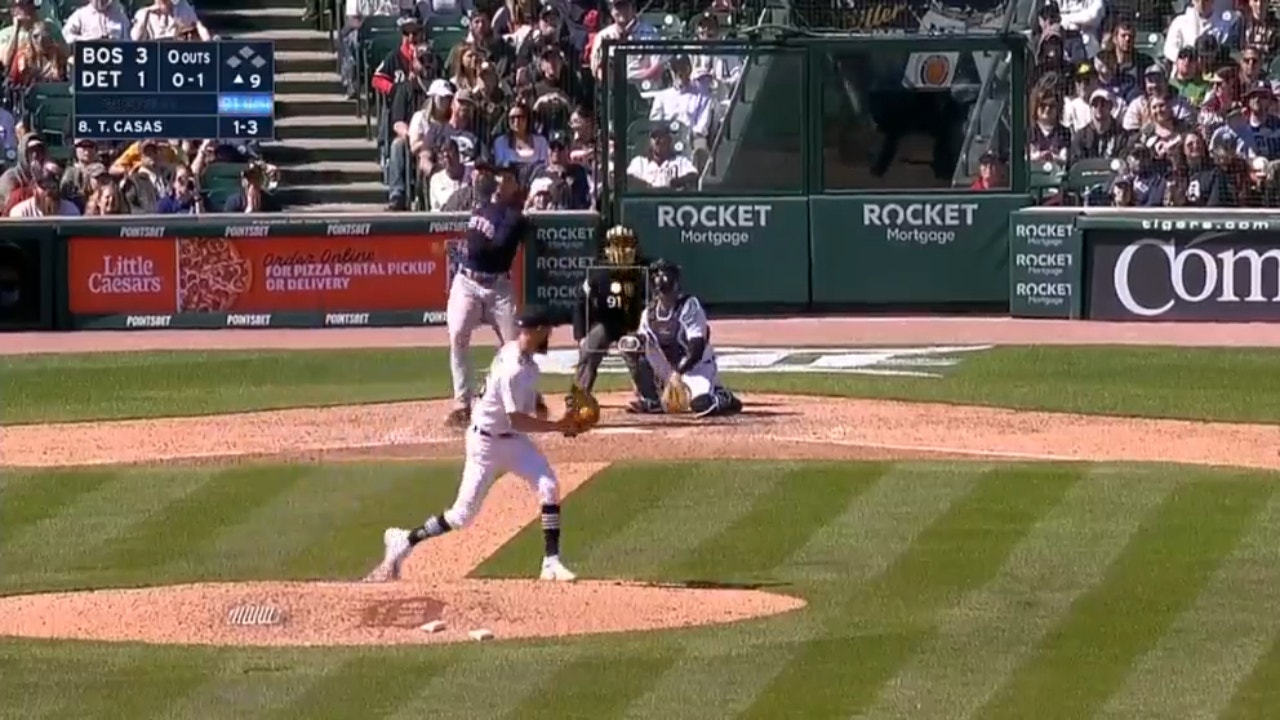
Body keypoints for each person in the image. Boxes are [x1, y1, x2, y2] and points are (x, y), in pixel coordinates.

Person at [367, 304, 580, 584]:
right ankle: (404, 540)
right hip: (486, 445)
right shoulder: (513, 368)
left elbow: (526, 401)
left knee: (548, 485)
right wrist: (557, 426)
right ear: (538, 331)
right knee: (461, 516)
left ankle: (550, 562)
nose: (551, 332)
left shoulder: (520, 357)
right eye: (548, 329)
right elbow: (516, 419)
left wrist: (548, 412)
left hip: (513, 441)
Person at [446, 164, 531, 426]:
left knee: (514, 346)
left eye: (508, 179)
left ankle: (520, 398)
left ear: (515, 186)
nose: (502, 182)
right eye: (500, 178)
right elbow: (474, 244)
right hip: (466, 282)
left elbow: (493, 249)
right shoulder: (482, 202)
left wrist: (469, 245)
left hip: (498, 287)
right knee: (458, 334)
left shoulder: (515, 217)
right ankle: (462, 403)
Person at [625, 258, 742, 418]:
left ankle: (723, 397)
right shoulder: (649, 314)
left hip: (696, 368)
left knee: (701, 406)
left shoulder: (689, 306)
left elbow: (697, 348)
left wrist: (678, 373)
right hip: (669, 367)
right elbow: (643, 346)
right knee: (630, 343)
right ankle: (652, 399)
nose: (665, 294)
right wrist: (639, 381)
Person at [572, 225, 648, 399]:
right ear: (607, 248)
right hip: (604, 323)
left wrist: (642, 333)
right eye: (617, 245)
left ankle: (649, 395)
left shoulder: (642, 274)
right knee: (589, 349)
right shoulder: (597, 275)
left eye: (626, 245)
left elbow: (650, 306)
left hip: (632, 325)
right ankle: (579, 396)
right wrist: (581, 335)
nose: (622, 250)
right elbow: (580, 302)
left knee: (637, 353)